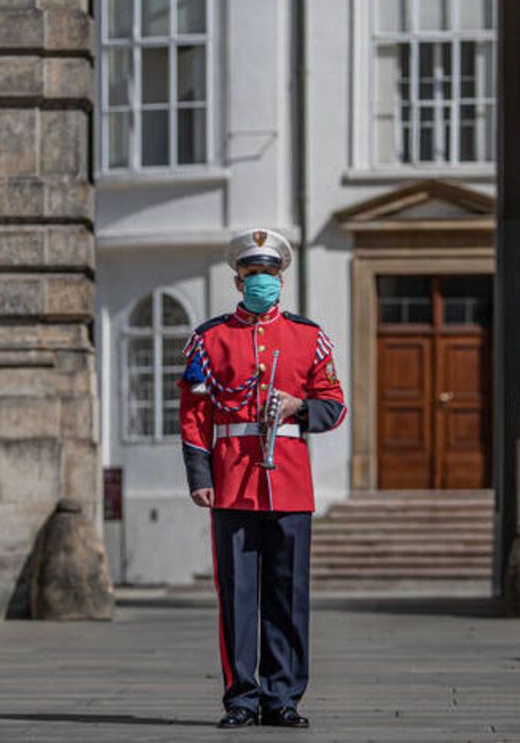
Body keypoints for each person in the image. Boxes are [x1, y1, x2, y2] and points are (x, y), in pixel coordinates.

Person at [179, 229, 347, 729]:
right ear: (238, 280)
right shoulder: (209, 339)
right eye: (253, 274)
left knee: (287, 594)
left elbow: (335, 406)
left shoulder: (308, 337)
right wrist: (199, 474)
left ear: (281, 279)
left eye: (269, 274)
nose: (261, 282)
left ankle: (283, 698)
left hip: (290, 482)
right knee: (237, 596)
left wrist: (300, 406)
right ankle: (241, 698)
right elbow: (193, 414)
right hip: (231, 480)